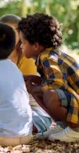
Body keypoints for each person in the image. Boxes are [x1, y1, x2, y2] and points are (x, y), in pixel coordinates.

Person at [18, 13, 79, 142]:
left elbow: (57, 85)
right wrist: (33, 80)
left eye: (23, 42)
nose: (20, 46)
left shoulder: (48, 58)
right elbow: (57, 82)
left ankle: (76, 130)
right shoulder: (49, 55)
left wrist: (34, 89)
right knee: (40, 90)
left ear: (36, 45)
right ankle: (63, 125)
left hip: (76, 104)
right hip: (74, 102)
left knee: (49, 94)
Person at [0, 14, 52, 133]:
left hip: (32, 109)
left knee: (11, 123)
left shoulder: (27, 58)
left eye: (13, 32)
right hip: (8, 109)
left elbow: (20, 94)